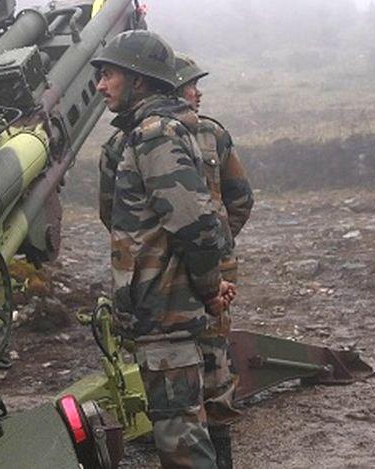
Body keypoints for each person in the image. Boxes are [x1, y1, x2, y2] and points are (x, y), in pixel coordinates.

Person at [92, 30, 234, 468]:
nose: (100, 85)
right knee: (179, 433)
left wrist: (210, 289)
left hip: (166, 311)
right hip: (161, 312)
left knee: (182, 444)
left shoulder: (155, 136)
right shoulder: (148, 133)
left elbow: (196, 227)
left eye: (109, 75)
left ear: (139, 80)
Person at [173, 53, 253, 469]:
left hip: (200, 277)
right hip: (169, 279)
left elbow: (240, 199)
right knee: (189, 369)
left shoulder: (213, 136)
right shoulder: (136, 139)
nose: (197, 92)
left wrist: (215, 246)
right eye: (190, 84)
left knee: (213, 366)